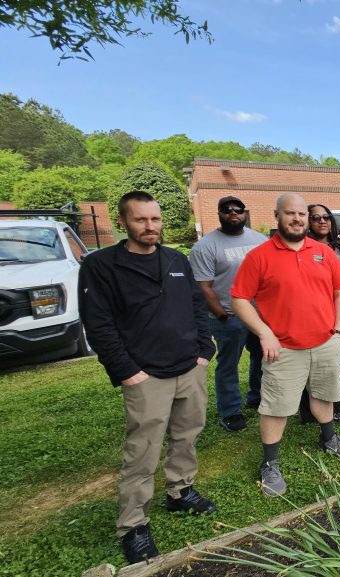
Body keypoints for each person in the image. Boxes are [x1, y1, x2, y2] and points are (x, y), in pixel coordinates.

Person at [79, 191, 216, 564]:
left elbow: (195, 305)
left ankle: (180, 491)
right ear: (122, 222)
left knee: (187, 435)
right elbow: (99, 324)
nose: (150, 227)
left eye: (155, 219)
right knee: (142, 450)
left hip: (189, 366)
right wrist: (127, 372)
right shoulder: (101, 266)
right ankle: (133, 524)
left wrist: (204, 351)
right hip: (144, 374)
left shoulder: (176, 259)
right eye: (141, 220)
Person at [231, 193, 340, 499]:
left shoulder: (323, 252)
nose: (298, 219)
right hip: (284, 347)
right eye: (291, 213)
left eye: (302, 214)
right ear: (277, 215)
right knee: (276, 407)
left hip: (325, 342)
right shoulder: (259, 256)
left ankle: (329, 439)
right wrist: (264, 332)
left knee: (325, 395)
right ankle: (270, 463)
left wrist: (337, 331)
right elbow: (239, 299)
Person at [189, 196, 267, 432]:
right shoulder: (205, 246)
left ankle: (257, 397)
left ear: (245, 213)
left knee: (263, 357)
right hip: (228, 317)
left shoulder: (259, 240)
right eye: (227, 210)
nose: (233, 213)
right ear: (219, 214)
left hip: (259, 315)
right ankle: (230, 411)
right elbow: (204, 287)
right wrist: (224, 317)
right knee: (228, 364)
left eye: (238, 210)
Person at [297, 204, 340, 423]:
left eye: (326, 217)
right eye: (316, 218)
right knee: (310, 363)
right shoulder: (300, 248)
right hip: (314, 317)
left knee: (338, 360)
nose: (322, 221)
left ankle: (339, 404)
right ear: (308, 222)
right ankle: (310, 410)